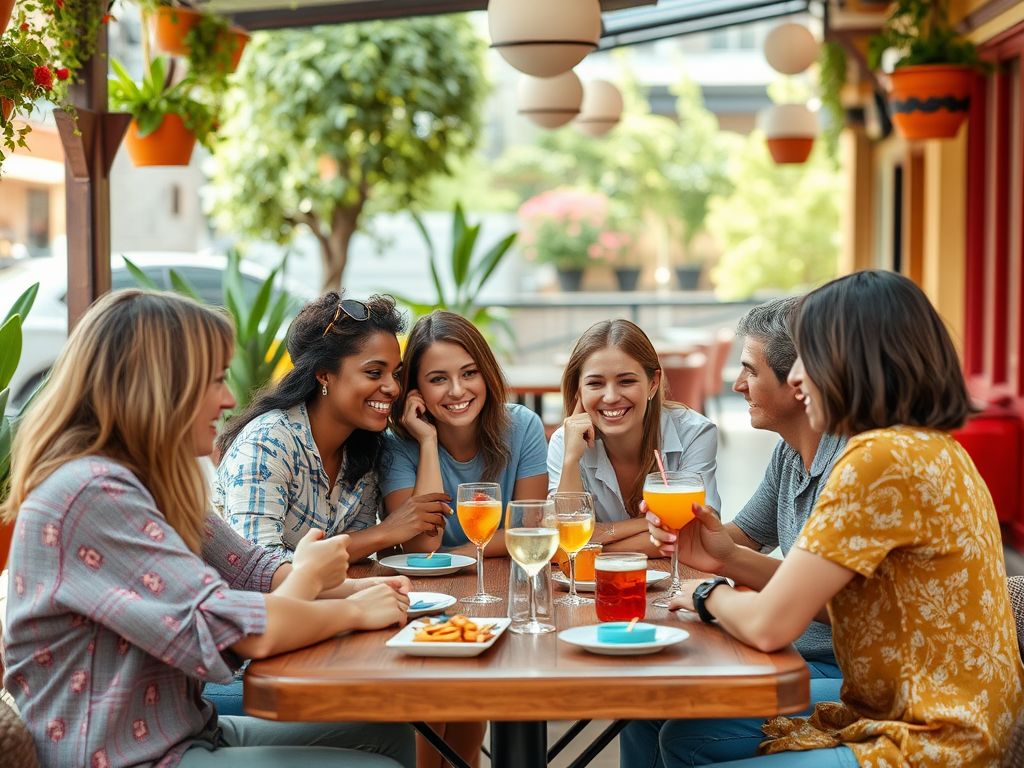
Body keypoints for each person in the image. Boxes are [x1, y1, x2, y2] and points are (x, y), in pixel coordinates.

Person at [1, 290, 415, 768]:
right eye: (215, 379)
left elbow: (252, 570)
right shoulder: (91, 493)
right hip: (121, 756)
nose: (230, 398)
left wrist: (366, 592)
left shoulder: (145, 480)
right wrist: (349, 606)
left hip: (183, 728)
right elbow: (241, 633)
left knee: (387, 735)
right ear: (161, 385)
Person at [638, 270, 1024, 767]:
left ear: (852, 362)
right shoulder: (930, 446)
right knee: (684, 738)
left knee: (685, 737)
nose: (797, 379)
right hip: (930, 713)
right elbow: (832, 597)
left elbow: (770, 625)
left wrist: (706, 593)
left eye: (808, 359)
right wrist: (725, 557)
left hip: (934, 741)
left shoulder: (878, 462)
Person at [620, 297, 847, 767]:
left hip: (839, 663)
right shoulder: (790, 454)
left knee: (684, 733)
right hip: (791, 646)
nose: (738, 384)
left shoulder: (855, 468)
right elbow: (744, 533)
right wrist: (704, 543)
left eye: (750, 371)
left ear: (799, 383)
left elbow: (839, 605)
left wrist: (713, 584)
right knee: (645, 699)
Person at [215, 292, 451, 562]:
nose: (393, 388)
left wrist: (428, 440)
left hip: (332, 597)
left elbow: (353, 558)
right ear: (324, 374)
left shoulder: (364, 449)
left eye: (395, 374)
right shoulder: (267, 444)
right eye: (374, 373)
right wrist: (386, 531)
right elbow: (260, 566)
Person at [382, 310, 549, 555]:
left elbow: (528, 530)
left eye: (469, 373)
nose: (458, 390)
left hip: (502, 579)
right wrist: (428, 442)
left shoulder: (523, 427)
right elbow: (422, 545)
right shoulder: (396, 445)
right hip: (426, 589)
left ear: (486, 373)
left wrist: (453, 559)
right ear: (416, 389)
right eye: (438, 379)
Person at [547, 319, 720, 552]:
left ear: (653, 383)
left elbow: (698, 533)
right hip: (597, 586)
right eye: (595, 383)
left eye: (626, 381)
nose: (610, 397)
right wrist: (570, 461)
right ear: (579, 390)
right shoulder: (565, 443)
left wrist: (599, 538)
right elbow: (561, 538)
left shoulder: (694, 433)